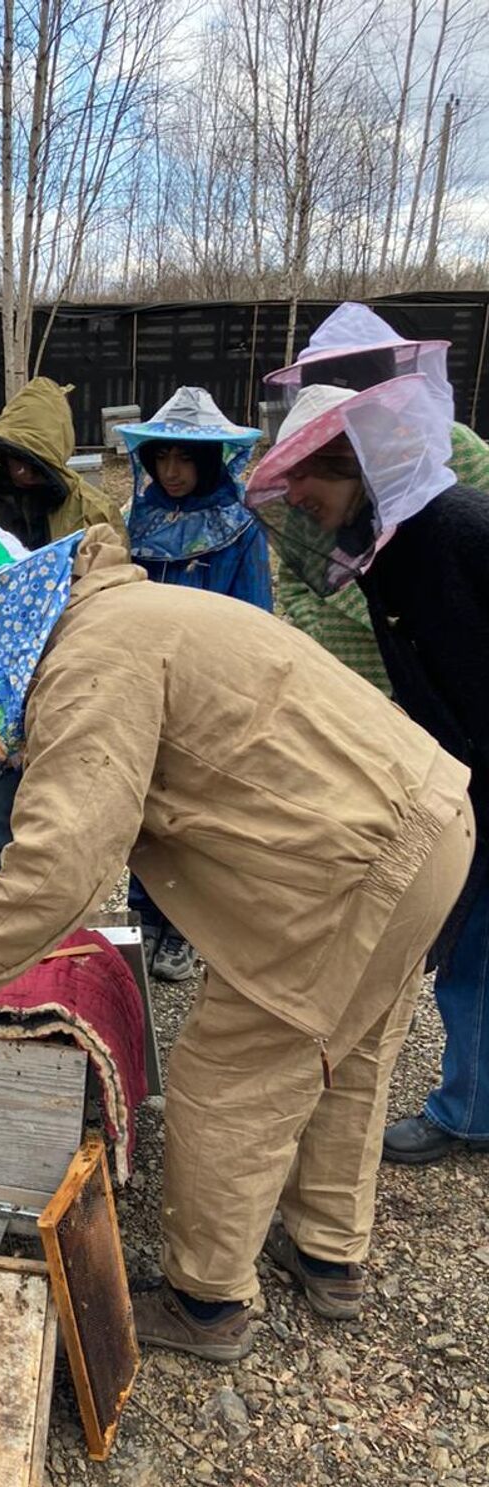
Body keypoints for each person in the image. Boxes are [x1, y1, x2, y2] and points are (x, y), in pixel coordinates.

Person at [0, 528, 472, 1361]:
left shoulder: (90, 659)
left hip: (348, 872)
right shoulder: (126, 615)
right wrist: (11, 901)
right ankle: (329, 1254)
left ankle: (207, 1303)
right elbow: (97, 831)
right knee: (348, 1050)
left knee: (226, 1080)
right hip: (431, 823)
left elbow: (64, 856)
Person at [248, 372, 489, 1168]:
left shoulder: (449, 530)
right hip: (465, 767)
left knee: (473, 947)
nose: (298, 497)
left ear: (351, 462)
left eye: (305, 476)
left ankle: (468, 1112)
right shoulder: (387, 545)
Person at [115, 388, 272, 983]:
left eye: (185, 459)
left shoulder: (239, 528)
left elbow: (254, 618)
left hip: (207, 692)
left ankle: (184, 927)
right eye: (163, 459)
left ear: (209, 460)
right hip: (144, 683)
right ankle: (144, 913)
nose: (172, 472)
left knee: (197, 810)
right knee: (144, 802)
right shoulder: (141, 521)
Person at [0, 376, 126, 882]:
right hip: (0, 696)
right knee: (3, 830)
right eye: (12, 459)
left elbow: (116, 607)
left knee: (63, 825)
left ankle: (60, 944)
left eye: (31, 460)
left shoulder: (93, 513)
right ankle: (0, 944)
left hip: (71, 689)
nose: (20, 472)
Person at [265, 303, 489, 695]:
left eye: (358, 377)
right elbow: (297, 572)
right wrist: (316, 627)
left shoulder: (453, 452)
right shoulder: (315, 470)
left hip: (438, 671)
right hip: (346, 673)